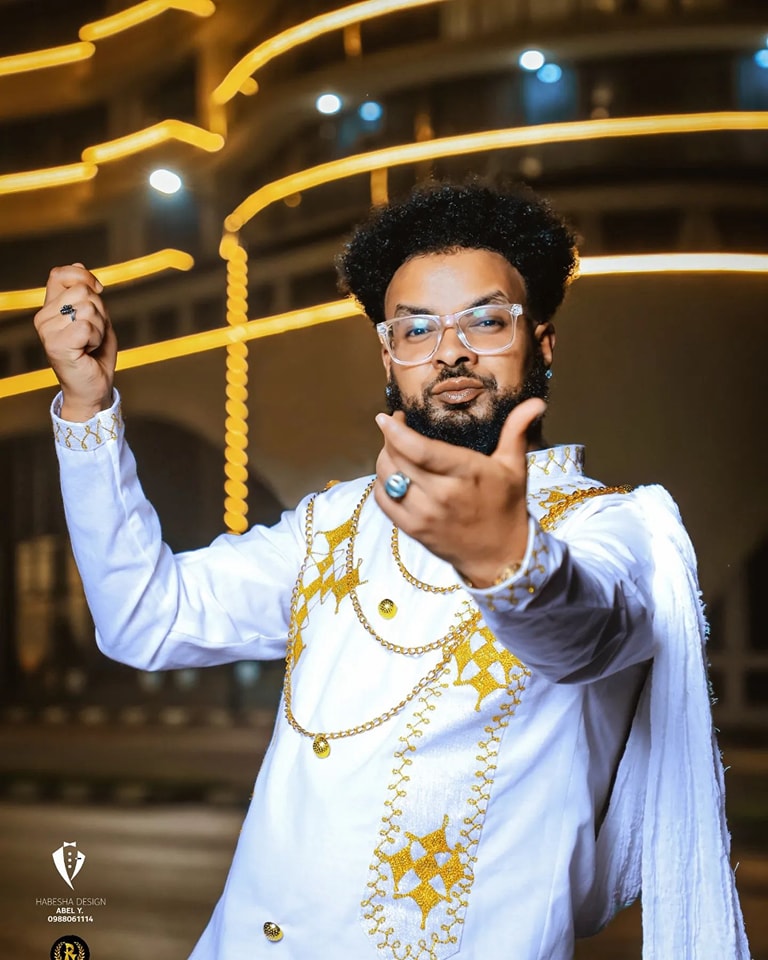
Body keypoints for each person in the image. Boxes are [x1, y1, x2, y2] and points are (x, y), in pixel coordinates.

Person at [35, 180, 749, 959]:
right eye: (417, 328)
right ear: (389, 356)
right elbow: (146, 618)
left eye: (485, 320)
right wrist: (87, 408)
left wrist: (501, 556)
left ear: (540, 343)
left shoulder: (612, 526)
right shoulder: (332, 524)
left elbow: (583, 632)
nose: (451, 350)